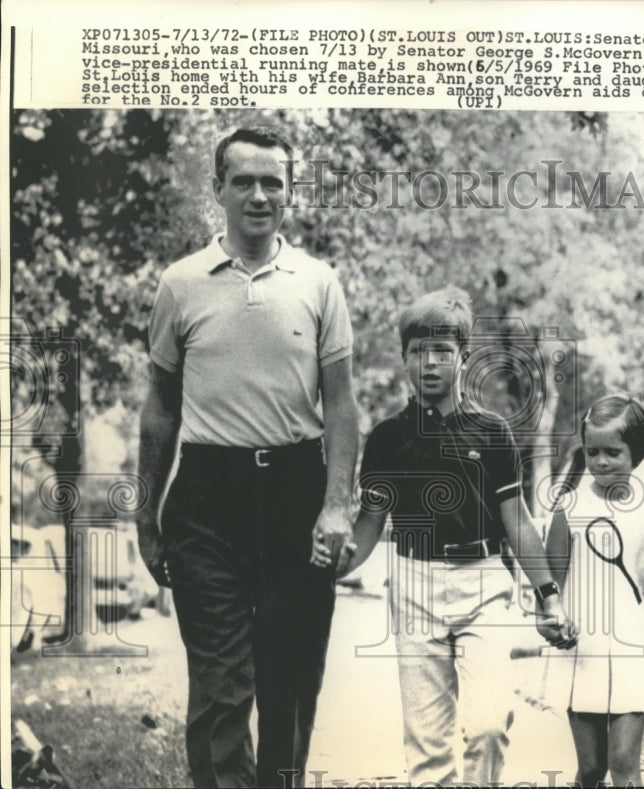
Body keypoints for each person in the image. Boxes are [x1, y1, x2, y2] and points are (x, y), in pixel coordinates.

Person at [137, 126, 360, 788]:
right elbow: (159, 410)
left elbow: (342, 407)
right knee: (220, 684)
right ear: (218, 190)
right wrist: (146, 516)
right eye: (244, 181)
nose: (259, 195)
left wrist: (336, 505)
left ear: (290, 192)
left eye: (273, 182)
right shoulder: (180, 285)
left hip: (296, 491)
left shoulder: (319, 283)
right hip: (207, 499)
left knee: (290, 680)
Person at [311, 287, 576, 787]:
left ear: (463, 357)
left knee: (489, 725)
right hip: (414, 586)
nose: (428, 363)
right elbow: (370, 522)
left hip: (485, 586)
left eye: (441, 352)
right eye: (417, 352)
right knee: (428, 748)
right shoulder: (388, 439)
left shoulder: (492, 432)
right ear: (405, 358)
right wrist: (336, 565)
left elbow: (516, 520)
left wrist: (549, 597)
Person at [543, 394, 644, 788]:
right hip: (582, 650)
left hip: (632, 647)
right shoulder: (568, 506)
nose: (601, 462)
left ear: (636, 453)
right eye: (592, 452)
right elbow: (553, 582)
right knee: (590, 769)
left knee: (624, 765)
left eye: (613, 452)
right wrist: (555, 618)